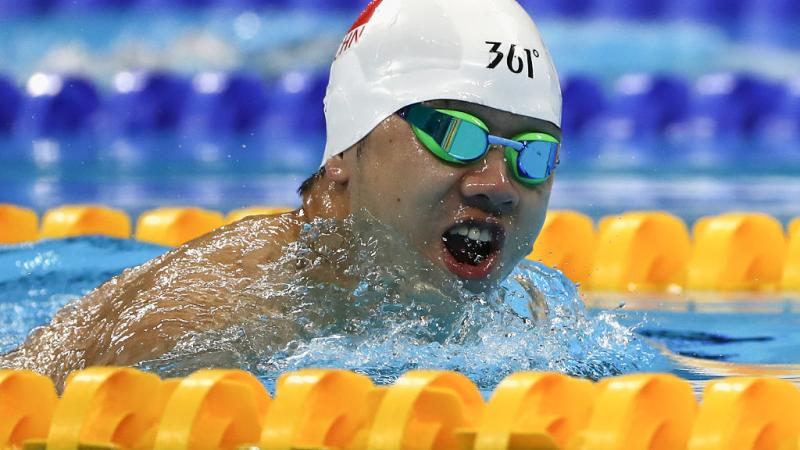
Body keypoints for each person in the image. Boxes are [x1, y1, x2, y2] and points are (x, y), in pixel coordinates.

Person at [1, 0, 562, 387]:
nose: (498, 186)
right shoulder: (212, 324)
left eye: (532, 153)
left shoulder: (529, 316)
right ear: (345, 150)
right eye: (453, 135)